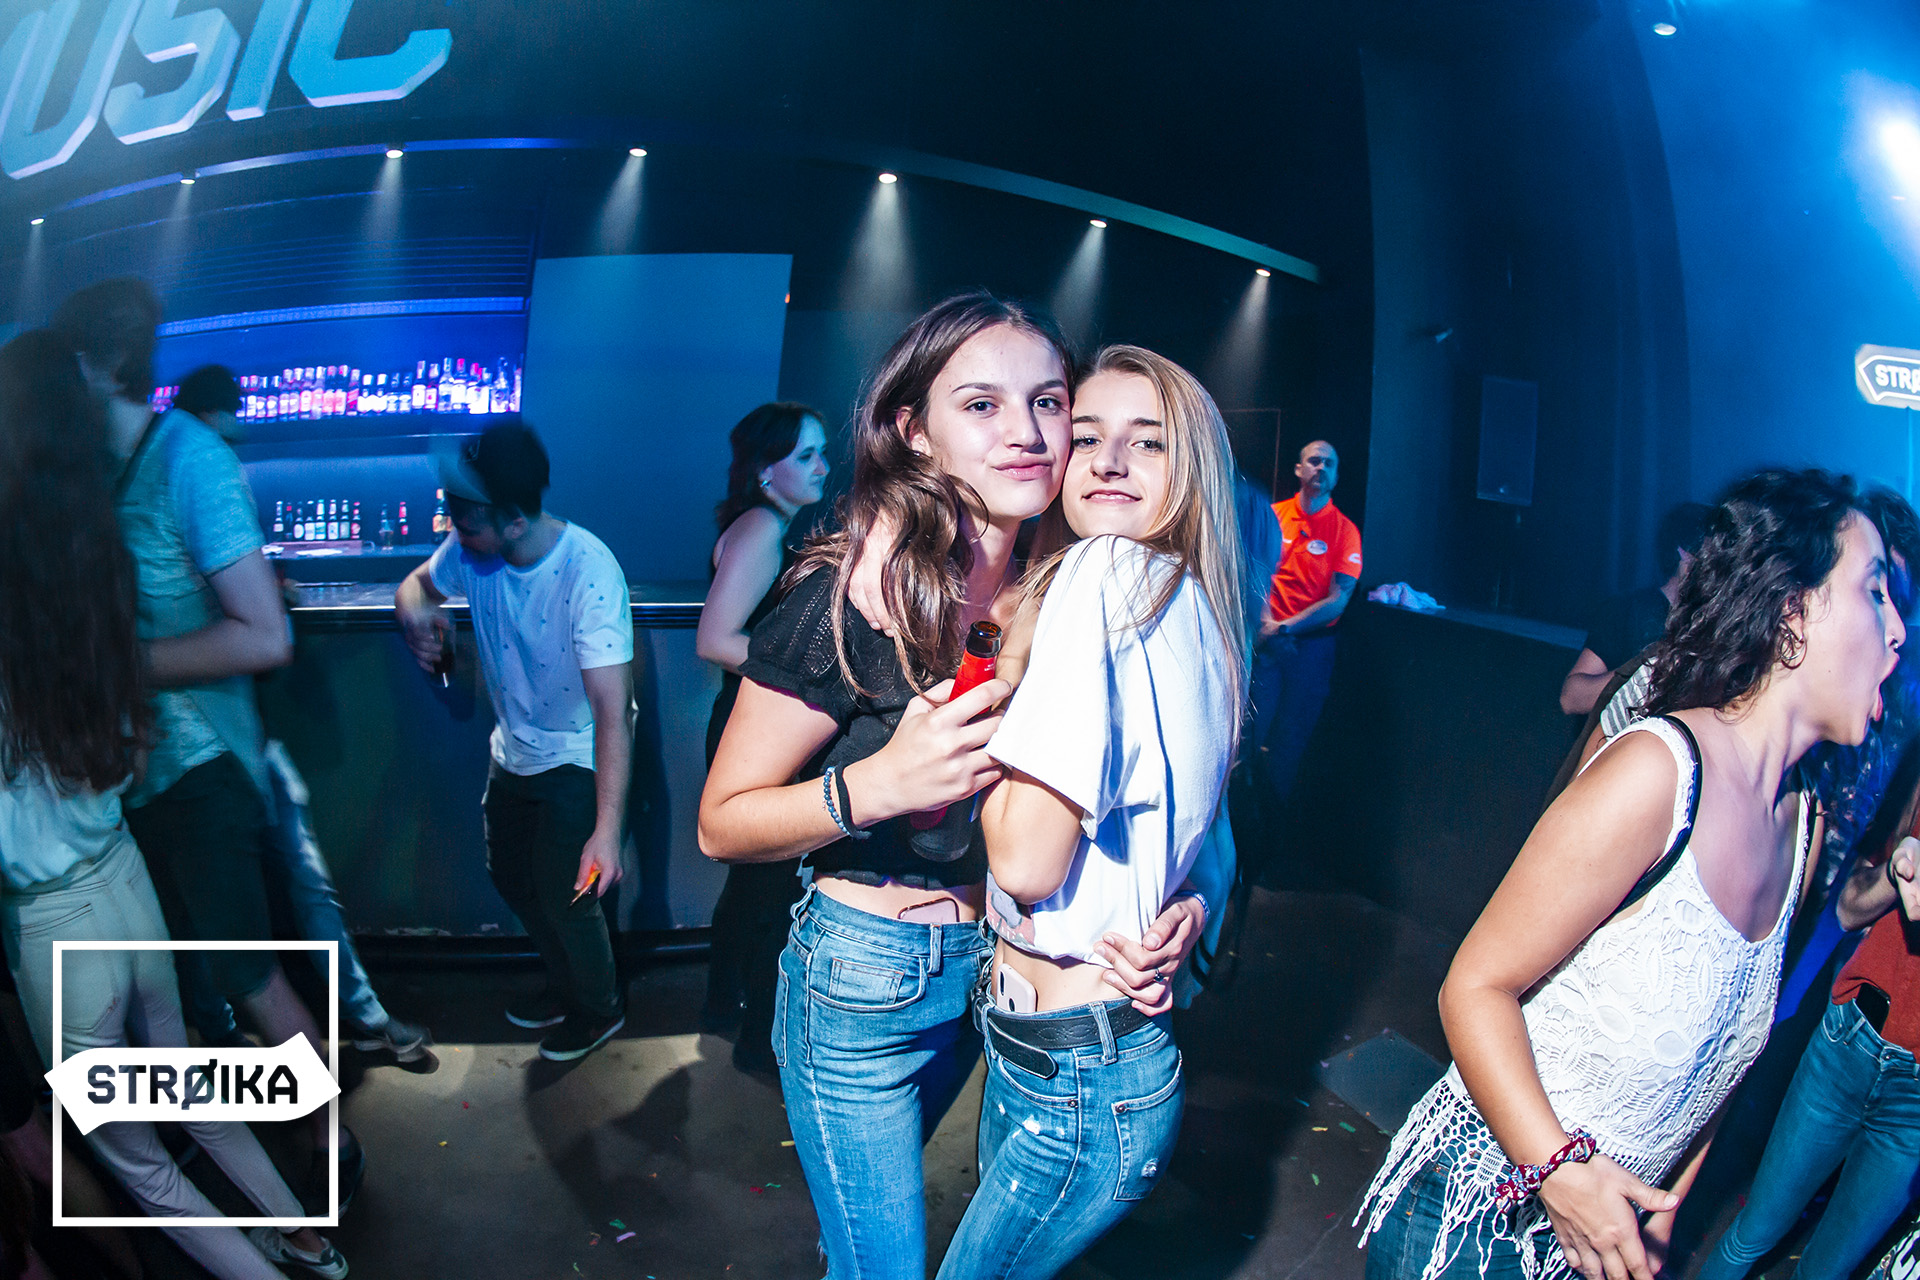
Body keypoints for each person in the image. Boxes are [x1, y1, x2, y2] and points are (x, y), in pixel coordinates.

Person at [699, 293, 1200, 1280]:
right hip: (863, 979)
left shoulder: (1067, 586)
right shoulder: (847, 598)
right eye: (981, 404)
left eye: (1048, 401)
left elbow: (1160, 783)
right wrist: (874, 785)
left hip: (997, 976)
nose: (1026, 432)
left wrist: (1184, 900)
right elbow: (722, 822)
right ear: (913, 431)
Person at [1358, 469, 1905, 1280]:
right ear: (1793, 613)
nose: (1899, 631)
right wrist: (1559, 1173)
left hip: (1595, 1237)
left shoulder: (1802, 827)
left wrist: (1665, 1213)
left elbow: (1722, 1064)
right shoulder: (1658, 772)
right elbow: (1472, 988)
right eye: (1876, 591)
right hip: (1479, 1216)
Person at [0, 328, 345, 1280]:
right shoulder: (84, 575)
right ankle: (309, 1238)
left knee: (141, 1165)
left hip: (49, 919)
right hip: (125, 880)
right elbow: (134, 740)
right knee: (191, 1090)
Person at [937, 345, 1243, 1279]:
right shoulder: (1194, 600)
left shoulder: (1102, 574)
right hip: (1091, 1055)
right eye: (1087, 437)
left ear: (1191, 468)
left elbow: (1025, 865)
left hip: (1070, 1069)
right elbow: (1212, 830)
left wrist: (988, 712)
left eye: (1147, 442)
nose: (1108, 461)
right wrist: (1193, 904)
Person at [171, 365, 431, 1067]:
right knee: (224, 903)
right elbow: (264, 634)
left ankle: (358, 1018)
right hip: (190, 752)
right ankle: (228, 1039)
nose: (230, 447)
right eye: (226, 428)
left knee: (295, 881)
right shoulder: (184, 482)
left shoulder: (195, 489)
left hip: (243, 733)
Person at [395, 422, 635, 1062]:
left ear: (515, 520)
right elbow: (415, 586)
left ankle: (600, 1007)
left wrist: (606, 829)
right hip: (512, 754)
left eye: (466, 521)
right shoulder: (471, 550)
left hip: (576, 755)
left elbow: (613, 713)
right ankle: (567, 984)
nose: (454, 531)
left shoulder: (588, 570)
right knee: (511, 878)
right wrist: (416, 616)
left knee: (567, 896)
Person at [1694, 797, 1920, 1280]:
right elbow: (1849, 907)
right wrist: (1894, 873)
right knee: (1752, 1233)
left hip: (1914, 1110)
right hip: (1849, 1044)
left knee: (1825, 1272)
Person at [694, 401, 829, 1071]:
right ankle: (759, 1043)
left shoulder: (760, 523)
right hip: (755, 727)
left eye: (820, 452)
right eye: (806, 455)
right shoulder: (760, 529)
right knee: (769, 890)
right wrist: (809, 673)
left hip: (746, 721)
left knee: (753, 886)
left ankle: (725, 1007)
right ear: (766, 470)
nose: (823, 466)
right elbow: (715, 639)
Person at [1250, 439, 1360, 810]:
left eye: (1329, 463)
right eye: (1314, 461)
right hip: (1264, 641)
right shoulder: (1273, 516)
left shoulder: (1344, 531)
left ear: (1337, 475)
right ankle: (1240, 819)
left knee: (1289, 743)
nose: (1321, 468)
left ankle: (1271, 824)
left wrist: (1285, 627)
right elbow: (1253, 572)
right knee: (1249, 733)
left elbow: (1338, 599)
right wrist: (1266, 623)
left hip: (1310, 649)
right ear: (1299, 469)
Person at [1558, 502, 1712, 717]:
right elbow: (1571, 698)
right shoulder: (1629, 610)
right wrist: (1651, 671)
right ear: (1684, 553)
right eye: (1714, 554)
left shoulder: (1714, 625)